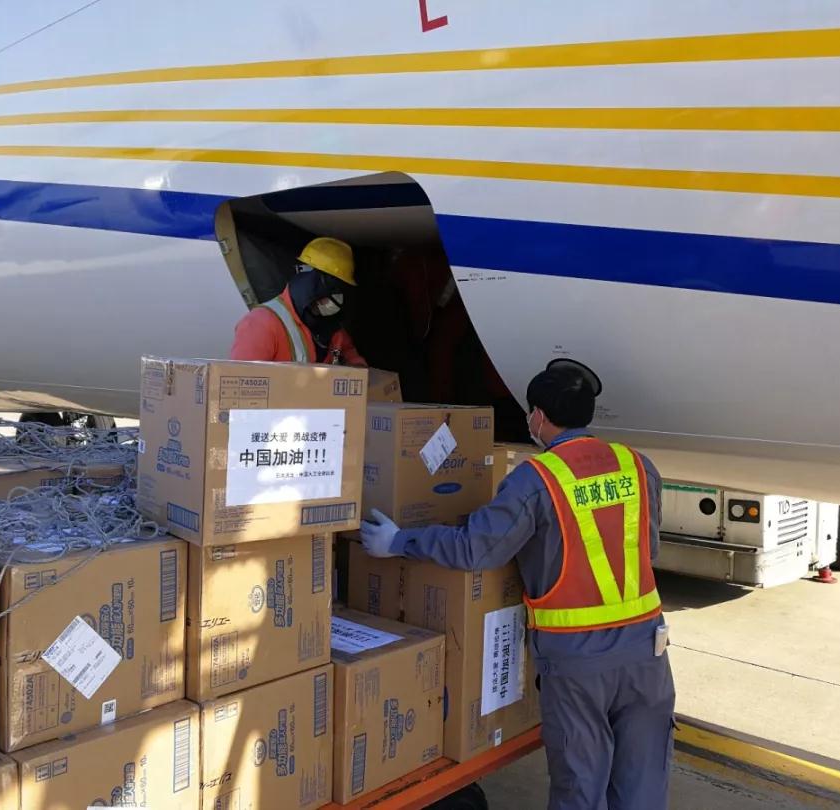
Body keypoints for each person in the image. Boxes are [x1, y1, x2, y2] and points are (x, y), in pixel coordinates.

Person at [360, 360, 674, 810]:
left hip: (578, 663)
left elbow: (477, 549)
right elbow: (648, 548)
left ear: (539, 417)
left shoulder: (536, 479)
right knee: (643, 783)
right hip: (647, 653)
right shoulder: (638, 466)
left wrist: (398, 541)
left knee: (581, 785)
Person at [230, 237, 366, 365]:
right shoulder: (261, 323)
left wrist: (358, 369)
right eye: (332, 288)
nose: (336, 298)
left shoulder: (331, 327)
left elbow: (351, 356)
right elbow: (242, 379)